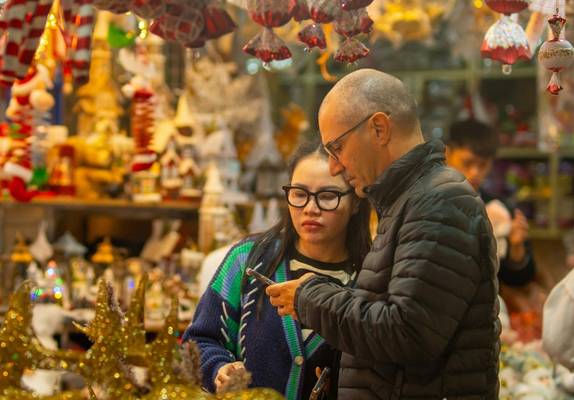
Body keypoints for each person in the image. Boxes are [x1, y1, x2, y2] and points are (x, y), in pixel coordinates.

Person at [267, 69, 500, 399]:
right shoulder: (410, 200)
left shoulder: (438, 202)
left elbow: (408, 332)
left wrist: (309, 297)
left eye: (337, 147)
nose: (334, 166)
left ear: (379, 128)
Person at [183, 140, 372, 399]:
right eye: (299, 193)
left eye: (328, 196)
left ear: (357, 203)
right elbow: (197, 341)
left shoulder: (370, 278)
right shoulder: (247, 259)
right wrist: (219, 368)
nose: (310, 208)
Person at [445, 118, 536, 287]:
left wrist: (516, 248)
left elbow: (521, 279)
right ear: (447, 154)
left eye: (483, 165)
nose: (475, 172)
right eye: (467, 162)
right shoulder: (426, 204)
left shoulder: (499, 209)